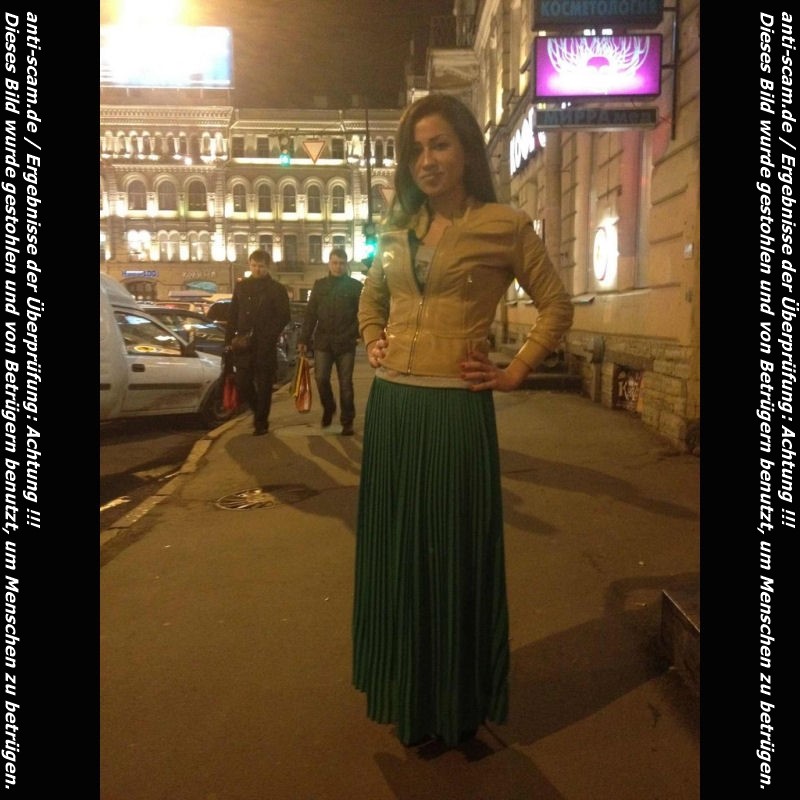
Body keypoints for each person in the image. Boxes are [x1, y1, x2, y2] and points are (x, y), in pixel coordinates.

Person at [352, 94, 574, 748]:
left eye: (440, 144)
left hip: (454, 409)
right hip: (392, 410)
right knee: (400, 557)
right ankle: (407, 693)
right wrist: (373, 338)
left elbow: (556, 306)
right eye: (416, 150)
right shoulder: (397, 225)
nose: (427, 160)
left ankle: (456, 703)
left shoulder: (504, 225)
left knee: (449, 556)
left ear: (467, 151)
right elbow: (371, 298)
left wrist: (515, 370)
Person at [298, 248, 363, 435]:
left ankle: (347, 421)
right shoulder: (320, 285)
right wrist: (304, 338)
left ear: (346, 264)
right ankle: (329, 406)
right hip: (324, 341)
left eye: (341, 263)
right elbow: (311, 314)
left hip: (345, 342)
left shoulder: (355, 287)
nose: (338, 267)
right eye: (335, 263)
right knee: (320, 378)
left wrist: (355, 333)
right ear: (329, 263)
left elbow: (361, 314)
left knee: (346, 384)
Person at [225, 249, 290, 436]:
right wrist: (228, 339)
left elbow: (284, 315)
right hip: (244, 342)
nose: (257, 269)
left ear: (267, 267)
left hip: (265, 343)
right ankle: (257, 411)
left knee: (264, 385)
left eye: (261, 266)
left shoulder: (277, 289)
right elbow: (233, 314)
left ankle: (261, 422)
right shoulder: (242, 287)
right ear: (249, 264)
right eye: (254, 265)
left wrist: (270, 334)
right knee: (243, 382)